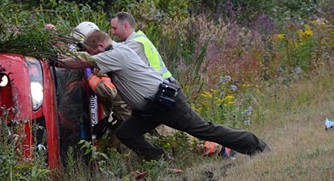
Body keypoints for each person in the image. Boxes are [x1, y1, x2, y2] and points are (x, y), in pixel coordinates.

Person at [57, 30, 270, 160]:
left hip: (166, 103)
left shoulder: (116, 54)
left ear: (101, 46)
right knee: (126, 134)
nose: (92, 55)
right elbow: (88, 59)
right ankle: (161, 160)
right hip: (147, 110)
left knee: (205, 130)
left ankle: (255, 145)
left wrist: (57, 61)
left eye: (92, 50)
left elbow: (85, 61)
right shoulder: (116, 52)